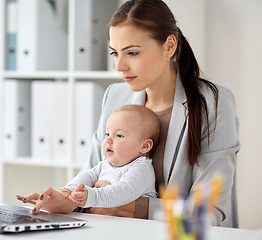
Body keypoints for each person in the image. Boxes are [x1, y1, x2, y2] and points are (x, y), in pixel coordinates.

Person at [17, 0, 240, 226]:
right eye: (115, 53)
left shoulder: (213, 102)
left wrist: (135, 208)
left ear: (169, 46)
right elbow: (94, 172)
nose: (119, 66)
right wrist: (67, 199)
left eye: (132, 53)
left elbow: (207, 213)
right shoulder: (115, 96)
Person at [64, 105, 159, 209]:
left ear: (145, 146)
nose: (108, 139)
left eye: (119, 135)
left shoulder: (141, 168)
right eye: (107, 133)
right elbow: (88, 176)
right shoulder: (106, 163)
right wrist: (68, 190)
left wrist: (92, 196)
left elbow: (124, 191)